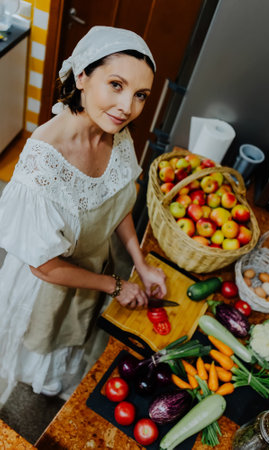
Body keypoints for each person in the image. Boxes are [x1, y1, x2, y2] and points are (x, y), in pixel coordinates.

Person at [0, 26, 167, 400]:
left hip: (95, 268)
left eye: (140, 95)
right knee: (39, 346)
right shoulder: (42, 165)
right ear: (82, 77)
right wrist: (116, 285)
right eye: (116, 84)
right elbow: (43, 266)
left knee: (74, 337)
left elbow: (117, 201)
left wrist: (140, 265)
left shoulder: (115, 133)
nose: (128, 107)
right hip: (48, 283)